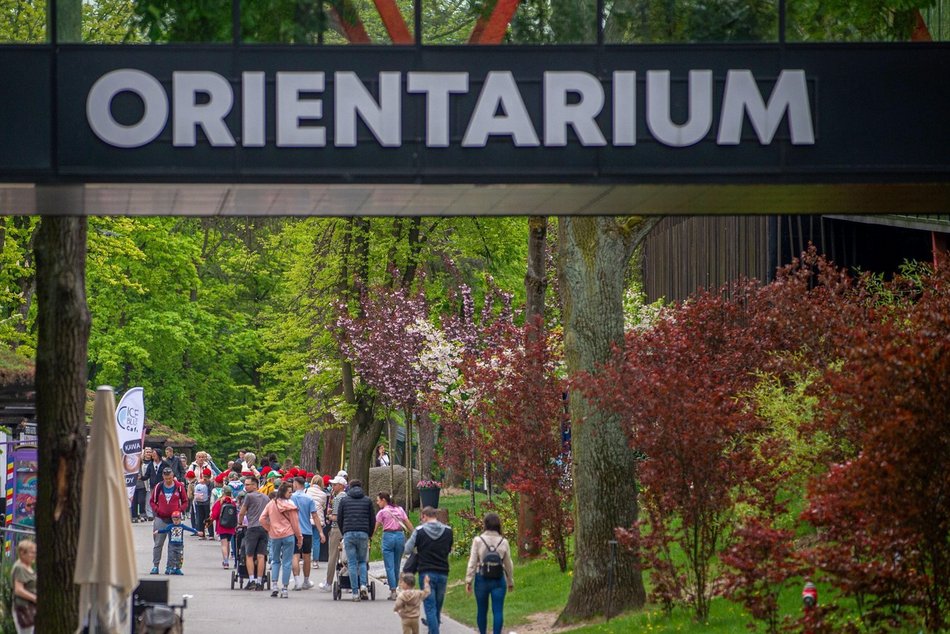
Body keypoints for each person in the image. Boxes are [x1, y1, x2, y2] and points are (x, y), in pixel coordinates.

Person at [404, 506, 453, 634]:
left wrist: (418, 549)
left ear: (424, 516)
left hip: (426, 572)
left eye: (421, 517)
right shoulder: (448, 531)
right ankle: (433, 630)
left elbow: (407, 549)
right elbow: (449, 549)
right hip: (443, 572)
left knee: (429, 607)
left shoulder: (419, 531)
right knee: (437, 605)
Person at [465, 513, 515, 634]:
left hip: (481, 578)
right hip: (498, 579)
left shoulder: (478, 540)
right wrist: (510, 581)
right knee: (498, 611)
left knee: (482, 610)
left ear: (485, 524)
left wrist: (468, 580)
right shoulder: (503, 542)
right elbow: (508, 564)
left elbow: (472, 561)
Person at [259, 482, 302, 599]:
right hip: (288, 535)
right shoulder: (291, 505)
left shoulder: (271, 503)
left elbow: (262, 519)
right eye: (289, 492)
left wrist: (270, 528)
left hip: (275, 535)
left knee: (275, 560)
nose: (291, 494)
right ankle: (284, 588)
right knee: (287, 562)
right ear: (284, 492)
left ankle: (274, 585)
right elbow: (295, 523)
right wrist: (299, 537)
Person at [337, 478, 375, 601]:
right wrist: (369, 533)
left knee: (352, 562)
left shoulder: (344, 500)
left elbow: (339, 518)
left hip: (348, 533)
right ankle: (363, 585)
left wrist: (344, 531)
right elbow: (372, 519)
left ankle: (354, 592)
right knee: (362, 561)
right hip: (363, 533)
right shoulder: (367, 500)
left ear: (349, 487)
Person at [149, 466, 189, 575]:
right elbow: (152, 501)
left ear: (173, 476)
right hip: (161, 518)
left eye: (170, 478)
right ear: (163, 477)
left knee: (175, 544)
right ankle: (155, 566)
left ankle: (173, 566)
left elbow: (185, 501)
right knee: (158, 543)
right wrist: (157, 510)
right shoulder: (159, 487)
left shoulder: (179, 487)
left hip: (174, 520)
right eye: (166, 478)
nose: (168, 480)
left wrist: (179, 510)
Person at [375, 491, 413, 599]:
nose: (377, 503)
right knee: (397, 564)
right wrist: (415, 534)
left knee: (389, 566)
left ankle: (393, 590)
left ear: (383, 500)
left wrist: (370, 536)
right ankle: (396, 587)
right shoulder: (399, 509)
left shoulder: (382, 512)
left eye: (378, 501)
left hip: (388, 536)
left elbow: (375, 526)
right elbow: (407, 522)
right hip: (400, 536)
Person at [237, 476, 270, 590]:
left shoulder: (249, 496)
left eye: (248, 484)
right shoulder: (266, 498)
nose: (245, 486)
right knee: (261, 555)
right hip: (264, 528)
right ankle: (260, 581)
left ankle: (252, 580)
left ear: (255, 485)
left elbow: (242, 512)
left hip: (252, 528)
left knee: (249, 555)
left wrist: (240, 522)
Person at [290, 476, 323, 590]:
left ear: (295, 484)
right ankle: (306, 580)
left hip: (294, 530)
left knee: (295, 555)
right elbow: (314, 515)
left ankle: (297, 581)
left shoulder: (291, 498)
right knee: (307, 556)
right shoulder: (309, 498)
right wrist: (321, 532)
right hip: (307, 531)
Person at [320, 475, 348, 591]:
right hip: (346, 529)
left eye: (335, 484)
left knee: (332, 557)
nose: (333, 486)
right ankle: (347, 580)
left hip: (336, 529)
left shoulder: (337, 499)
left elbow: (336, 517)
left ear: (341, 486)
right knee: (346, 556)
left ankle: (328, 582)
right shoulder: (347, 497)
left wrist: (328, 515)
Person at [153, 510, 198, 574]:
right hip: (172, 545)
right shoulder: (170, 526)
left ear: (180, 519)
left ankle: (177, 568)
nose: (176, 521)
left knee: (179, 557)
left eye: (177, 520)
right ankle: (169, 568)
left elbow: (189, 529)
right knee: (171, 557)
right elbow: (164, 530)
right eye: (174, 520)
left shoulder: (182, 526)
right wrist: (158, 531)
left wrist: (196, 532)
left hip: (179, 545)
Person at [11, 539, 36, 634]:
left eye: (35, 552)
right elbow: (18, 590)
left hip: (30, 609)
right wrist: (35, 598)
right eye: (31, 553)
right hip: (24, 610)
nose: (34, 555)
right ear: (22, 553)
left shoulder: (27, 566)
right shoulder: (19, 567)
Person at [211, 485, 238, 568]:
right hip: (231, 526)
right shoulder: (233, 502)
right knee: (228, 543)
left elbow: (214, 515)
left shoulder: (219, 502)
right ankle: (227, 560)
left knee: (223, 544)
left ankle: (225, 561)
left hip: (221, 525)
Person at [306, 474, 330, 569]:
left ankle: (306, 558)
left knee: (307, 539)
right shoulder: (323, 494)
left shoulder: (307, 491)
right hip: (318, 519)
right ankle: (315, 561)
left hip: (308, 518)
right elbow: (323, 506)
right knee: (316, 540)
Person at [131, 449, 149, 522]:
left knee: (141, 500)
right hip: (133, 486)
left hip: (141, 485)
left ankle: (142, 514)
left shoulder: (143, 464)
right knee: (134, 502)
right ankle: (134, 516)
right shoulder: (130, 465)